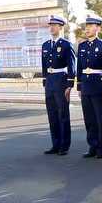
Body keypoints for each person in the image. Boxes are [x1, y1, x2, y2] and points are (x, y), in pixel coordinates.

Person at [77, 13, 102, 159]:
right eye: (87, 26)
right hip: (86, 85)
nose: (87, 29)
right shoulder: (82, 46)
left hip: (98, 86)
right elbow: (79, 67)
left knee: (100, 118)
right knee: (89, 118)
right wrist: (79, 86)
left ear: (98, 28)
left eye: (91, 26)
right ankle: (92, 145)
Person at [41, 14, 76, 156]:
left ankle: (64, 145)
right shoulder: (45, 45)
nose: (51, 27)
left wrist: (70, 84)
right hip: (49, 80)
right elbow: (44, 65)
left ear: (61, 27)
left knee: (62, 114)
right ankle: (55, 144)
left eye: (54, 25)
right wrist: (45, 81)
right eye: (50, 25)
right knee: (52, 114)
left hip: (61, 80)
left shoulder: (66, 45)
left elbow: (72, 66)